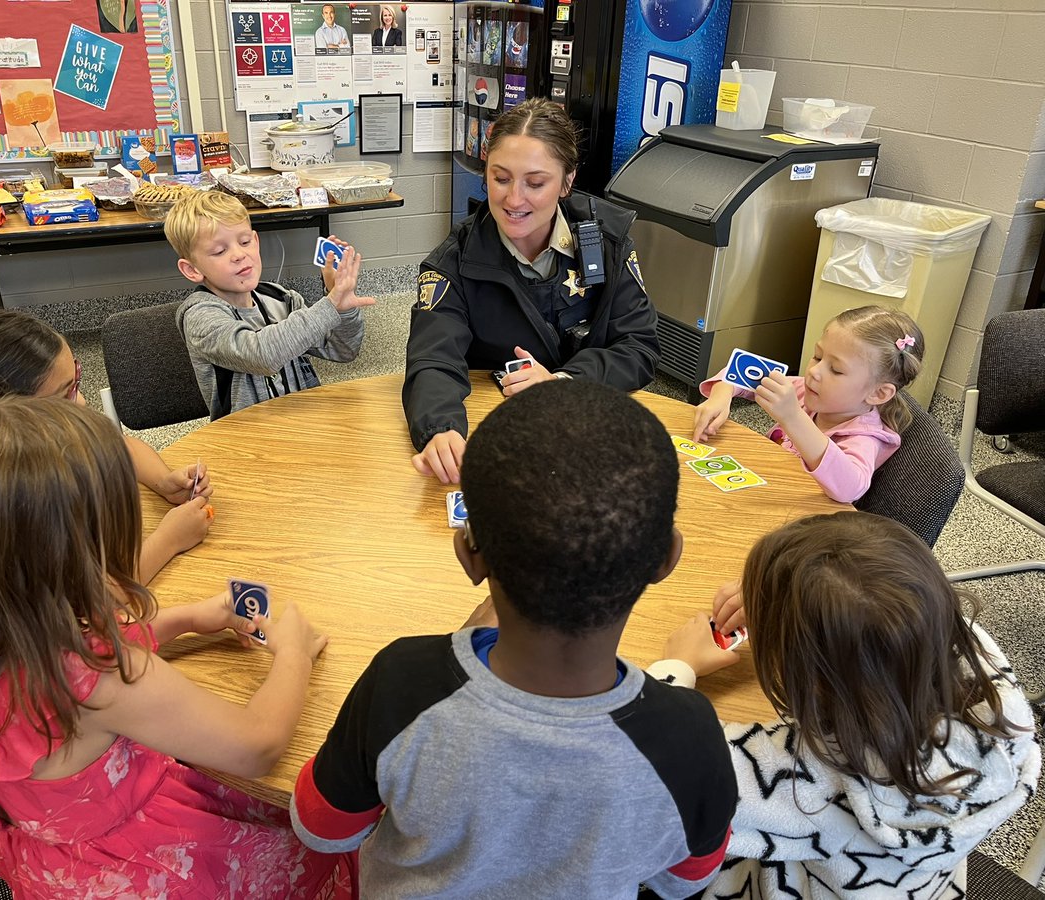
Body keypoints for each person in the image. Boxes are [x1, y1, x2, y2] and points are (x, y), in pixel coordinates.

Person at [0, 394, 354, 899]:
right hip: (156, 867)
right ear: (65, 559)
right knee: (332, 836)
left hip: (58, 869)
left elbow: (80, 655)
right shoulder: (103, 679)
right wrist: (293, 653)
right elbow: (258, 745)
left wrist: (187, 619)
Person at [290, 380, 736, 898]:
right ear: (667, 559)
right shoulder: (692, 734)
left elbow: (323, 828)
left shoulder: (401, 681)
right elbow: (684, 880)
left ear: (469, 553)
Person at [656, 512, 1039, 899]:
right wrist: (790, 604)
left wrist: (678, 666)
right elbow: (885, 616)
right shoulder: (989, 684)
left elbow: (659, 763)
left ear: (812, 677)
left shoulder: (817, 777)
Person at [403, 97, 661, 484]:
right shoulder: (454, 262)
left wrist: (562, 384)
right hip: (505, 437)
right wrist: (439, 429)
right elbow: (432, 360)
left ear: (567, 182)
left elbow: (639, 348)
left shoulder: (607, 242)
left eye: (536, 183)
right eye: (500, 178)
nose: (514, 199)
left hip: (590, 431)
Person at [0, 306, 210, 585]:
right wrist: (168, 540)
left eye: (76, 381)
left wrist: (164, 481)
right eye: (65, 394)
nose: (82, 401)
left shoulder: (15, 443)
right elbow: (96, 601)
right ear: (1, 418)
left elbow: (119, 446)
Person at [169, 191, 373, 419]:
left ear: (256, 241)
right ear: (192, 270)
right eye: (219, 251)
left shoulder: (282, 298)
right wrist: (330, 306)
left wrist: (344, 310)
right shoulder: (200, 316)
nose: (239, 254)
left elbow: (343, 350)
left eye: (245, 242)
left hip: (301, 426)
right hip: (244, 440)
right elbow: (261, 355)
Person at [693, 305, 925, 503]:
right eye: (817, 356)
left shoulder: (864, 436)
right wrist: (721, 397)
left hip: (798, 524)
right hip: (762, 490)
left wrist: (793, 416)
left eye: (836, 370)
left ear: (878, 393)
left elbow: (850, 487)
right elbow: (738, 370)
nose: (814, 371)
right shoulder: (808, 389)